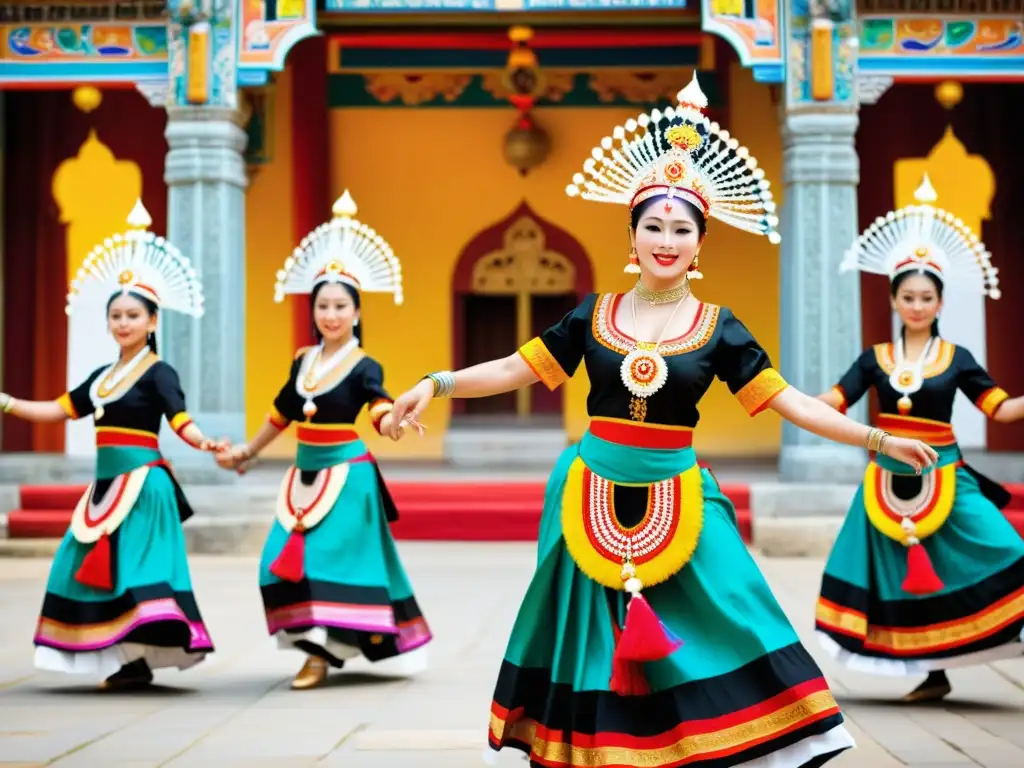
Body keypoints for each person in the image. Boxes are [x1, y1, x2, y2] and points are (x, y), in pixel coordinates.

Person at [388, 74, 937, 767]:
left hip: (679, 487)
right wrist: (433, 385)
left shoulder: (719, 328)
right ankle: (597, 750)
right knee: (586, 631)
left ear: (700, 241)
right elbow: (511, 370)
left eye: (681, 228)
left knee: (733, 603)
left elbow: (789, 400)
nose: (666, 239)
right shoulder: (592, 313)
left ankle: (736, 736)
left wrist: (877, 437)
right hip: (587, 485)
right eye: (654, 226)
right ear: (633, 233)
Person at [815, 174, 1024, 703]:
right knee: (889, 575)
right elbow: (833, 403)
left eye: (925, 297)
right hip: (885, 479)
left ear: (939, 302)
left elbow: (999, 409)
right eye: (907, 296)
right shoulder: (873, 359)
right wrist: (775, 395)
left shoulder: (957, 359)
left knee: (1004, 546)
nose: (916, 305)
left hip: (946, 475)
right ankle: (932, 673)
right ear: (893, 298)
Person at [215, 191, 432, 690]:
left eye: (340, 306)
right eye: (322, 306)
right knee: (277, 566)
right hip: (303, 474)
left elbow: (377, 407)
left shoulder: (364, 365)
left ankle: (318, 656)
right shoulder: (302, 362)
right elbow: (283, 411)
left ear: (357, 312)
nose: (330, 314)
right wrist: (247, 451)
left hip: (348, 478)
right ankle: (318, 649)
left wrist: (394, 421)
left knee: (329, 568)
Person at [0, 206, 224, 689]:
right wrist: (8, 402)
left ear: (152, 320)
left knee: (136, 572)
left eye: (132, 316)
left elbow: (180, 421)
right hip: (105, 488)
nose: (123, 323)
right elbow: (57, 409)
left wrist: (205, 441)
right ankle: (127, 662)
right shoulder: (102, 379)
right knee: (76, 564)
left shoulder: (159, 372)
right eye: (116, 316)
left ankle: (138, 659)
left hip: (145, 488)